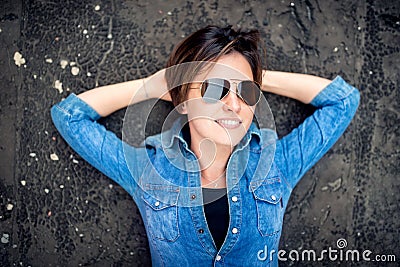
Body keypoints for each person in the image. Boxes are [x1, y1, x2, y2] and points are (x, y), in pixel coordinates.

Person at [51, 25, 360, 266]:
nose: (234, 105)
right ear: (183, 101)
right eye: (215, 88)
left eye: (246, 93)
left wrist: (258, 78)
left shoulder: (278, 161)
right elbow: (69, 117)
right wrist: (155, 85)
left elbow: (343, 101)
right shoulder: (148, 170)